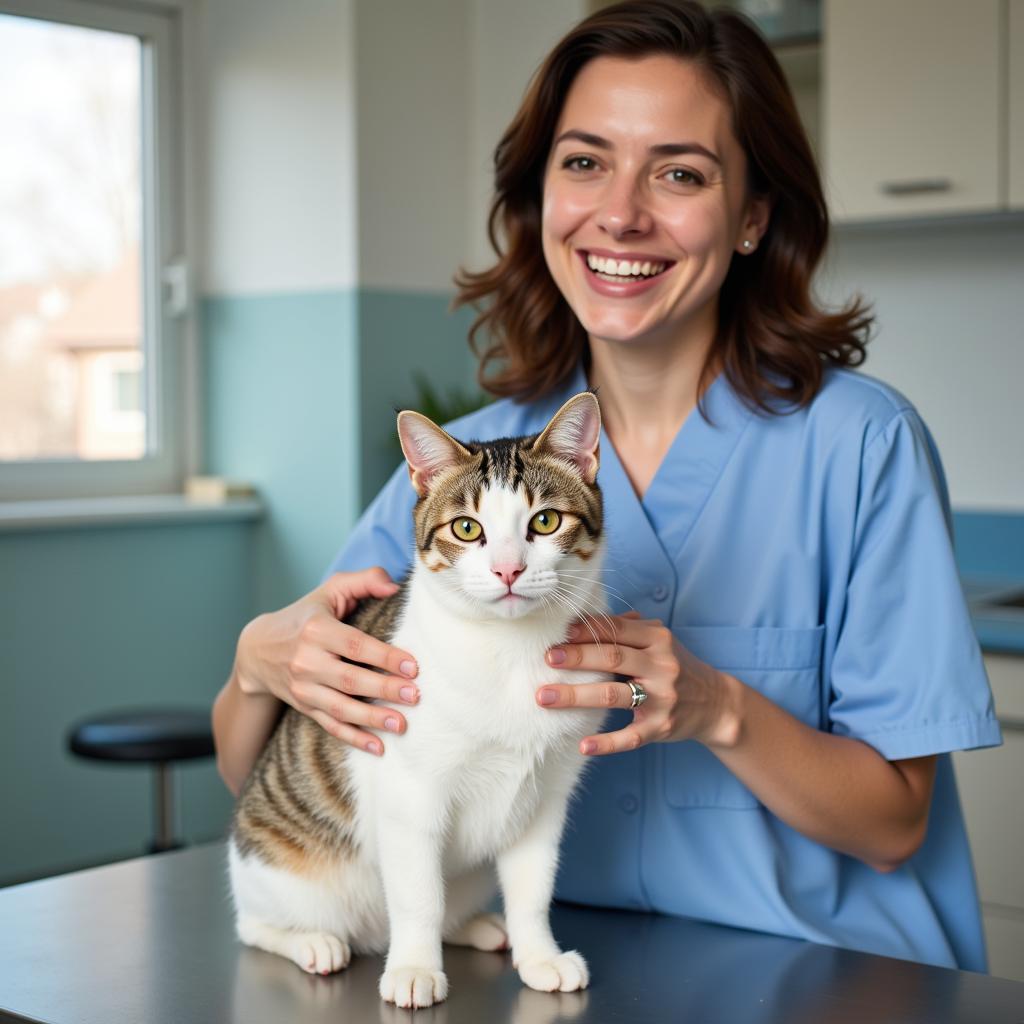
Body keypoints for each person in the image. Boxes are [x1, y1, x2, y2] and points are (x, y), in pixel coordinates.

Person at [212, 0, 1001, 973]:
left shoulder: (860, 447)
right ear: (540, 196)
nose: (620, 212)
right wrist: (257, 666)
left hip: (827, 974)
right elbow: (272, 772)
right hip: (553, 973)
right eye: (583, 162)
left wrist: (718, 705)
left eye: (679, 172)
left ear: (753, 215)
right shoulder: (466, 463)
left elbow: (892, 826)